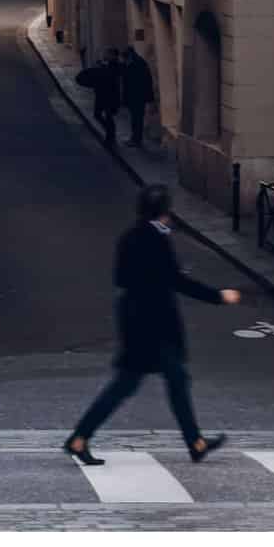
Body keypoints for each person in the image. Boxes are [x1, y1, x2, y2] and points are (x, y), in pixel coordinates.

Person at [64, 185, 240, 466]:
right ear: (165, 213)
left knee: (158, 382)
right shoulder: (156, 240)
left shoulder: (129, 237)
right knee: (150, 383)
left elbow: (121, 279)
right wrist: (218, 296)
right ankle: (81, 438)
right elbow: (176, 280)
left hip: (135, 322)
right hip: (154, 327)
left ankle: (194, 442)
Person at [75, 48, 122, 145]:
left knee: (108, 116)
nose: (106, 55)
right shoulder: (106, 65)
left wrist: (101, 68)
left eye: (108, 54)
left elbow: (111, 79)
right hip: (101, 95)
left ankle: (110, 137)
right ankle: (110, 133)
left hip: (110, 96)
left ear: (113, 55)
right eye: (106, 54)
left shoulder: (116, 66)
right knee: (97, 115)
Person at [122, 47, 155, 148]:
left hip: (138, 97)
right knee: (135, 119)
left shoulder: (138, 64)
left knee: (137, 119)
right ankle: (134, 138)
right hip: (134, 97)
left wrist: (148, 98)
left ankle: (137, 139)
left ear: (130, 55)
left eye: (125, 58)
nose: (124, 60)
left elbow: (146, 81)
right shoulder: (132, 63)